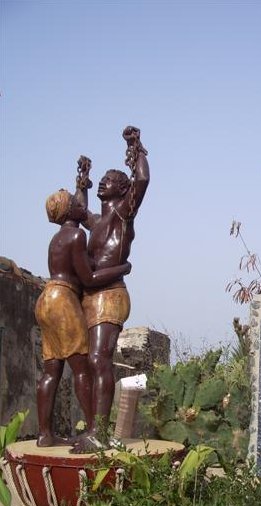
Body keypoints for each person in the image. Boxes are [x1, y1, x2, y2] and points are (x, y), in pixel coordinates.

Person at [35, 158, 131, 447]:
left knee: (52, 369)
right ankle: (95, 430)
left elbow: (82, 208)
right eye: (74, 202)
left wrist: (82, 181)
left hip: (45, 299)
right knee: (82, 366)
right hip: (64, 300)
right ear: (70, 210)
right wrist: (123, 268)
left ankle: (45, 434)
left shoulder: (57, 238)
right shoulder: (77, 234)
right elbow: (88, 279)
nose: (81, 204)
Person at [77, 126, 150, 449]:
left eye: (110, 179)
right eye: (102, 180)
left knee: (99, 360)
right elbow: (79, 211)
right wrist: (83, 180)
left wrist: (137, 150)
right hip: (90, 295)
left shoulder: (122, 214)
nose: (104, 183)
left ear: (122, 190)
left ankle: (100, 432)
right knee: (89, 361)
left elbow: (144, 181)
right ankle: (94, 426)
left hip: (110, 294)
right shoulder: (97, 222)